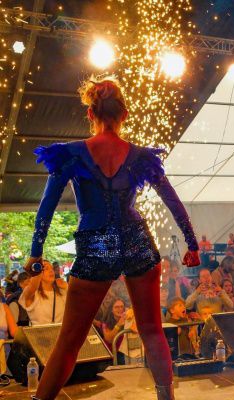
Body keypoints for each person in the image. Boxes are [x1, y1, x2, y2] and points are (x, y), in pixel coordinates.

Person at [24, 77, 200, 400]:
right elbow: (172, 201)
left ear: (90, 113)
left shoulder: (71, 155)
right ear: (124, 115)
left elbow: (46, 208)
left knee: (69, 342)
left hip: (96, 246)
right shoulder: (141, 157)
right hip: (137, 242)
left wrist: (35, 253)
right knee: (152, 331)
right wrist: (192, 243)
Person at [19, 261, 68, 325]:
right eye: (46, 268)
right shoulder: (32, 293)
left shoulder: (61, 291)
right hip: (39, 331)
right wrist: (37, 265)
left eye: (52, 268)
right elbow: (33, 284)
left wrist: (67, 287)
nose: (51, 271)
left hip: (61, 331)